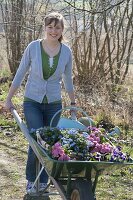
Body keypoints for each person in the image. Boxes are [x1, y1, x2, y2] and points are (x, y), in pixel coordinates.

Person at [4, 12, 76, 193]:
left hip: (54, 103)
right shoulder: (33, 47)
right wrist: (8, 99)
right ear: (45, 28)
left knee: (51, 143)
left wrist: (73, 104)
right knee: (37, 140)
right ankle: (31, 180)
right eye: (50, 27)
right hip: (32, 101)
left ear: (62, 30)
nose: (53, 31)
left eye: (57, 27)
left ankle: (43, 181)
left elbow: (68, 80)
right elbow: (20, 73)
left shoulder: (66, 52)